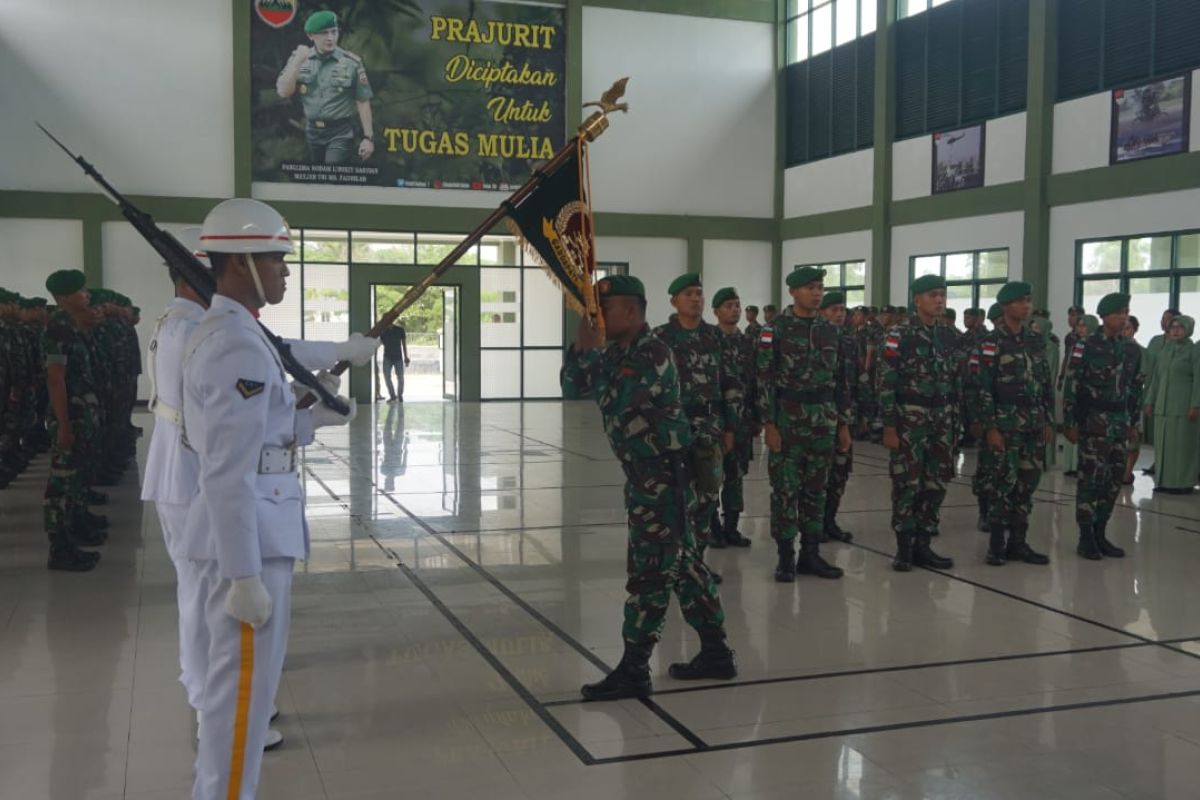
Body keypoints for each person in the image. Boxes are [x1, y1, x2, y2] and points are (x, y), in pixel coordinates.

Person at [182, 199, 356, 799]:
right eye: (277, 262)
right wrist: (242, 573)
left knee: (242, 701)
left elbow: (263, 437)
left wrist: (313, 420)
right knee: (241, 703)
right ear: (242, 265)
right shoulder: (235, 343)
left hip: (258, 523)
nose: (284, 273)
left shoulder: (242, 331)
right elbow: (227, 470)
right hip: (249, 535)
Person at [560, 275, 735, 701]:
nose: (597, 318)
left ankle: (635, 668)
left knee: (650, 574)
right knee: (687, 569)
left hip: (664, 477)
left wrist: (589, 352)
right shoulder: (619, 350)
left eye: (604, 310)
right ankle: (716, 653)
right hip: (647, 475)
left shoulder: (651, 353)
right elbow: (572, 386)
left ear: (631, 311)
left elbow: (611, 395)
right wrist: (583, 345)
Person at [757, 267, 851, 582]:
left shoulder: (831, 330)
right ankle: (786, 556)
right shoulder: (776, 329)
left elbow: (841, 381)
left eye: (820, 287)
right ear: (793, 292)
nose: (817, 293)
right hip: (788, 419)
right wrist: (769, 424)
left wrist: (843, 424)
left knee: (816, 490)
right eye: (810, 287)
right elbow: (765, 379)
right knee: (785, 490)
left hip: (823, 419)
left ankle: (811, 554)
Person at [653, 274, 741, 580]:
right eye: (689, 294)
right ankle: (672, 565)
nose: (696, 299)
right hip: (673, 429)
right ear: (674, 301)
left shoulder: (716, 338)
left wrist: (730, 427)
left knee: (705, 499)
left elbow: (731, 383)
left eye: (700, 294)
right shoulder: (660, 338)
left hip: (710, 429)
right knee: (674, 500)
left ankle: (695, 564)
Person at [881, 275, 957, 572]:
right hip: (909, 420)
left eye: (942, 295)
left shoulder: (949, 335)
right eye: (932, 295)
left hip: (942, 419)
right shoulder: (899, 334)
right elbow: (886, 381)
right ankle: (903, 548)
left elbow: (957, 381)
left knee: (936, 482)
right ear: (917, 299)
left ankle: (924, 544)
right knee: (906, 483)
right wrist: (888, 426)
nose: (939, 300)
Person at [974, 282, 1054, 566]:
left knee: (1027, 485)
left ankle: (1018, 543)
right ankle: (996, 545)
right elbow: (981, 388)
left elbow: (1045, 383)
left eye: (1029, 300)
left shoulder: (1035, 342)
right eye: (1020, 301)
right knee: (1002, 485)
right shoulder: (991, 343)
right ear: (1006, 306)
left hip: (1033, 424)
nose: (1026, 306)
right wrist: (990, 427)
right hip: (1005, 425)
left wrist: (1048, 420)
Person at [1063, 294, 1141, 561]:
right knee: (1091, 480)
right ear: (1105, 315)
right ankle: (1085, 536)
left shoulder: (1131, 349)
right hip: (1094, 423)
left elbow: (1134, 388)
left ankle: (1100, 532)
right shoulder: (1085, 345)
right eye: (1119, 312)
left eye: (1126, 312)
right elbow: (1071, 385)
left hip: (1120, 424)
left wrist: (1133, 421)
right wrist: (1069, 423)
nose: (1124, 317)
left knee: (1112, 480)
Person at [41, 271, 108, 571]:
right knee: (61, 483)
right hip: (70, 418)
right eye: (81, 291)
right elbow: (56, 380)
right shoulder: (57, 330)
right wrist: (64, 425)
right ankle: (60, 548)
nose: (87, 294)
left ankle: (76, 527)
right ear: (65, 298)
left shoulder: (74, 326)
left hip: (84, 417)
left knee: (78, 476)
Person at [275, 10, 375, 165]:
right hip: (312, 132)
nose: (330, 38)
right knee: (319, 175)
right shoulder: (300, 58)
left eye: (333, 32)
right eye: (324, 33)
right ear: (311, 36)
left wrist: (368, 138)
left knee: (331, 171)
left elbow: (363, 101)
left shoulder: (351, 62)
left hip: (341, 132)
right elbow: (283, 92)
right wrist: (296, 62)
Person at [709, 287, 755, 548]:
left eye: (737, 305)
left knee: (736, 475)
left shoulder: (748, 341)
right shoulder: (708, 340)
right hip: (715, 421)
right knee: (711, 475)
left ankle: (731, 527)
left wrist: (758, 417)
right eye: (728, 306)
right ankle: (713, 527)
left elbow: (755, 380)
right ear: (716, 311)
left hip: (742, 422)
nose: (735, 310)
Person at [1144, 315, 1199, 494]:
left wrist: (1195, 405)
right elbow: (1156, 378)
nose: (1175, 330)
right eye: (1172, 327)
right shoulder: (1165, 351)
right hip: (1163, 406)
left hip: (1182, 406)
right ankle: (1164, 481)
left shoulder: (1193, 351)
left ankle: (1182, 483)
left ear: (1188, 330)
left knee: (1182, 446)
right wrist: (1150, 401)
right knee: (1163, 445)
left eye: (1180, 327)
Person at [819, 291, 858, 544]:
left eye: (842, 310)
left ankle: (829, 520)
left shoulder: (849, 340)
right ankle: (816, 524)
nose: (840, 314)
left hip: (845, 415)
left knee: (840, 473)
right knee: (819, 475)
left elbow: (852, 382)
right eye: (834, 310)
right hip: (822, 417)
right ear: (822, 312)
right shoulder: (818, 338)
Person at [1141, 308, 1181, 475]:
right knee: (1155, 433)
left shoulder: (1181, 344)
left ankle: (1167, 465)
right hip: (1152, 391)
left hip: (1171, 395)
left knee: (1171, 433)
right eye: (1162, 318)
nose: (1163, 321)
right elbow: (1148, 362)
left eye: (1168, 319)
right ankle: (1157, 462)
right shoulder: (1155, 341)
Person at [1061, 314, 1099, 477]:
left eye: (1084, 325)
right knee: (1072, 423)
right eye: (1079, 325)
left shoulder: (1096, 345)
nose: (1080, 328)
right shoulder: (1077, 344)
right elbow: (1072, 370)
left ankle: (1078, 465)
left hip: (1087, 393)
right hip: (1073, 389)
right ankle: (1071, 465)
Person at [379, 320, 410, 402]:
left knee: (400, 377)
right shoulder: (383, 331)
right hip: (387, 357)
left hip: (398, 357)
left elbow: (404, 344)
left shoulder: (400, 330)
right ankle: (393, 395)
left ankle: (400, 395)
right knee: (387, 377)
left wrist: (406, 357)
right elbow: (379, 342)